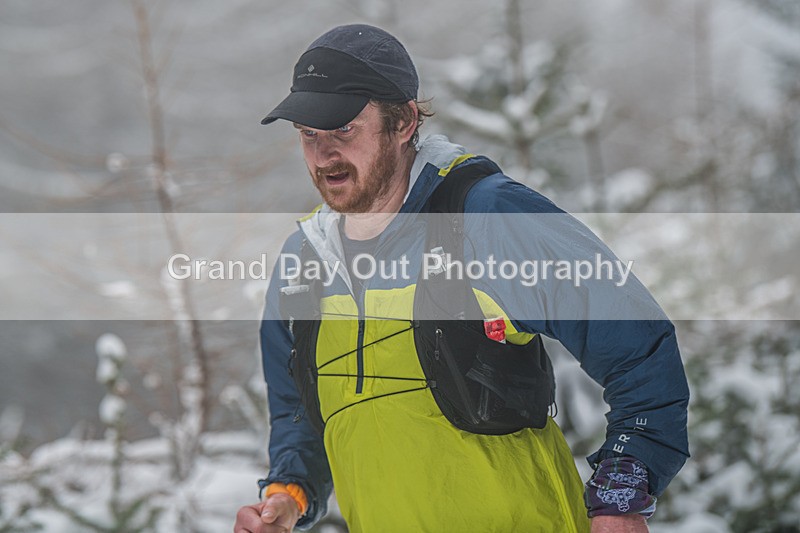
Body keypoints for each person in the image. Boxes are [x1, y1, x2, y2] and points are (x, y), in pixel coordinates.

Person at [235, 24, 689, 533]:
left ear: (404, 121)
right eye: (308, 134)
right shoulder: (303, 263)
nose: (323, 155)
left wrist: (620, 496)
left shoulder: (485, 217)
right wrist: (287, 495)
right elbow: (300, 413)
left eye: (343, 129)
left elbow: (639, 347)